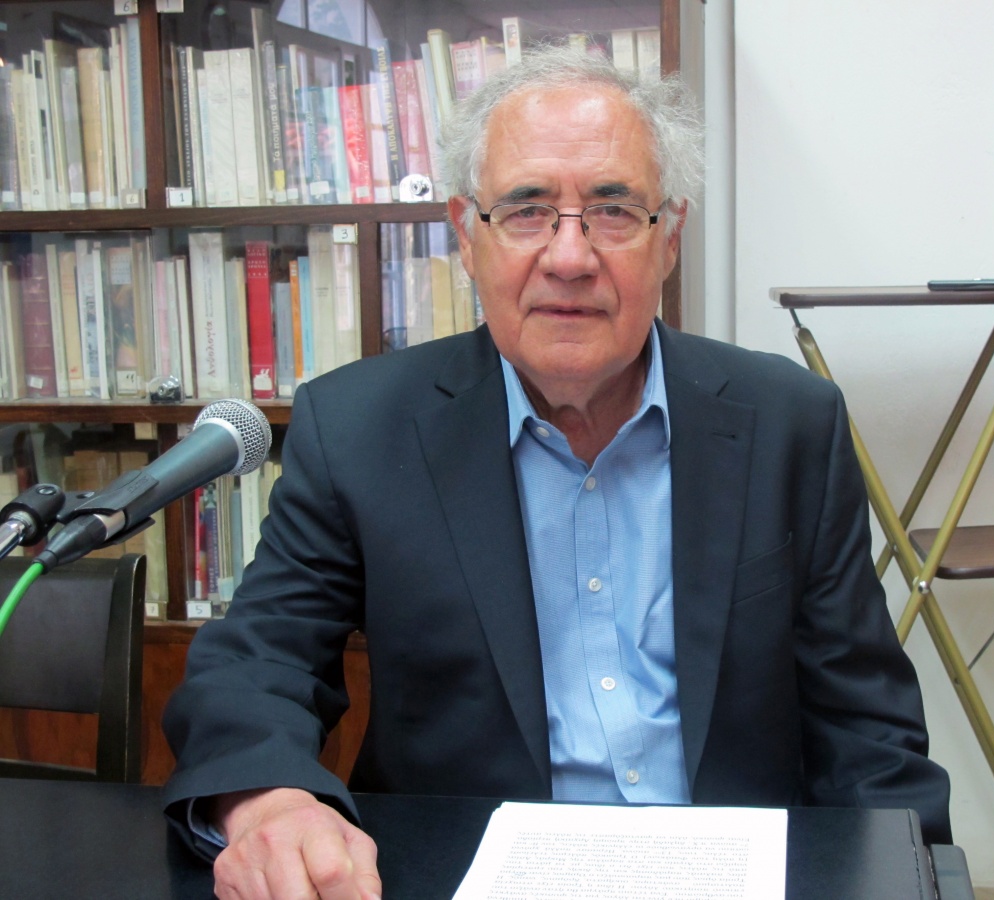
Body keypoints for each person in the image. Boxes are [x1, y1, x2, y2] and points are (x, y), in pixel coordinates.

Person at [162, 45, 951, 899]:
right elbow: (260, 661)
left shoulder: (789, 423)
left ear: (670, 237)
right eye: (527, 210)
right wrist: (271, 801)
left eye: (613, 211)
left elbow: (867, 731)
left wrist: (906, 875)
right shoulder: (359, 429)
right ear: (468, 236)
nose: (569, 256)